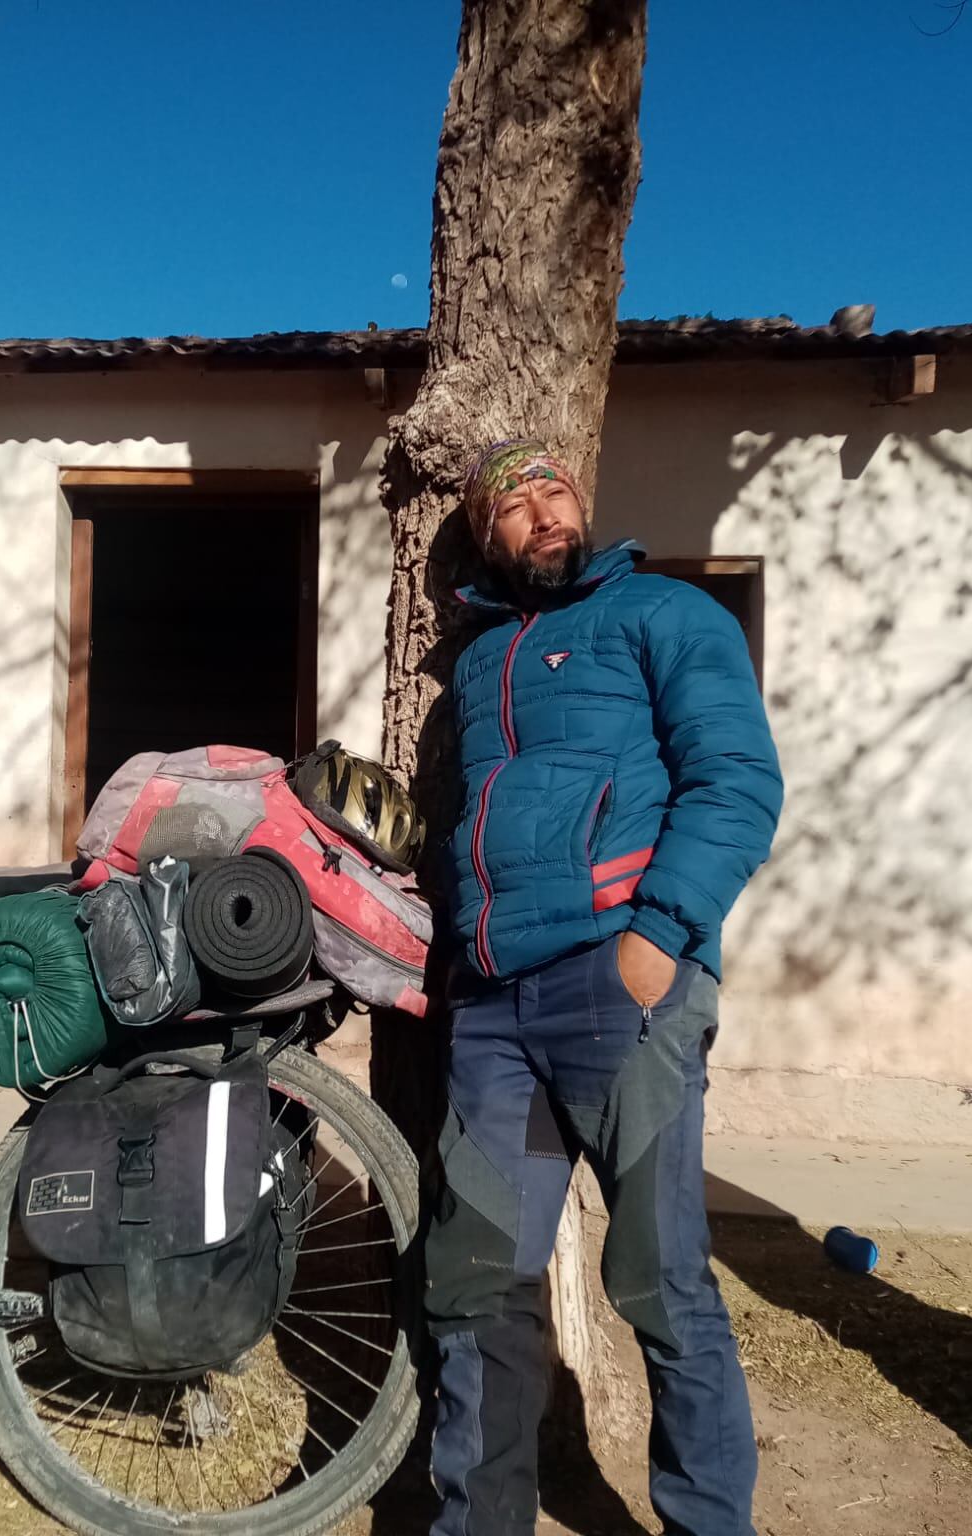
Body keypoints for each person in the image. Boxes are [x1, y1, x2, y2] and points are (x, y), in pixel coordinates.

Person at [423, 439, 782, 1536]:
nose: (535, 508)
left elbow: (737, 781)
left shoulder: (665, 616)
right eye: (508, 503)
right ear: (486, 539)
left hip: (615, 990)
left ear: (578, 505)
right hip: (493, 1012)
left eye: (551, 488)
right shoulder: (476, 667)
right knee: (477, 1280)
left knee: (659, 1281)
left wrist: (657, 937)